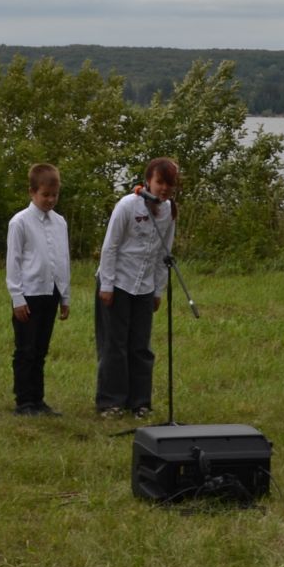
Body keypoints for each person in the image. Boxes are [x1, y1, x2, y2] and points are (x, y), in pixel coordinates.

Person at [94, 157, 178, 418]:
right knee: (114, 344)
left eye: (169, 184)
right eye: (160, 182)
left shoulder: (169, 211)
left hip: (145, 285)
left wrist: (157, 291)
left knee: (140, 346)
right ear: (149, 181)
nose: (164, 188)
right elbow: (111, 247)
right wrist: (106, 285)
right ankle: (111, 402)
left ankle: (139, 402)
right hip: (118, 282)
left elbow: (164, 253)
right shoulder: (127, 205)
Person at [5, 162, 72, 417]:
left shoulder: (60, 222)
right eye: (45, 195)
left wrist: (64, 296)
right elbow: (14, 261)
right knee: (26, 349)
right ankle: (24, 401)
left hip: (50, 292)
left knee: (41, 349)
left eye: (54, 195)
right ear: (32, 192)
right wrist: (17, 297)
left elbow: (62, 258)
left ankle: (38, 399)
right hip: (29, 293)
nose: (50, 200)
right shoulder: (19, 222)